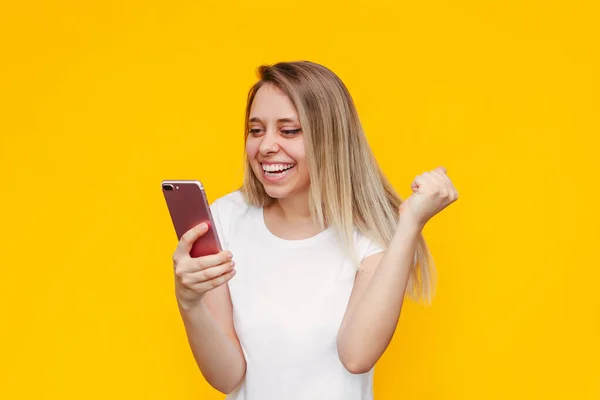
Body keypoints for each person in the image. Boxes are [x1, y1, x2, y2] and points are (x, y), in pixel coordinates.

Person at [171, 61, 458, 399]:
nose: (265, 147)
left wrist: (409, 225)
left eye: (289, 130)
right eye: (256, 130)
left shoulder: (371, 236)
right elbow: (228, 377)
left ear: (330, 138)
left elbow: (357, 356)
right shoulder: (225, 219)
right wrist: (189, 303)